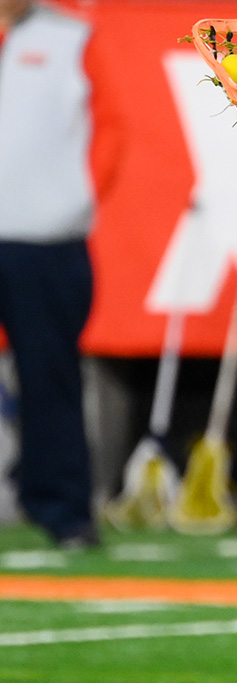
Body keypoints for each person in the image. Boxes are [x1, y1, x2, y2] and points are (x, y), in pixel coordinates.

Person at [0, 0, 121, 549]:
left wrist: (72, 202)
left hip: (44, 240)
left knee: (50, 376)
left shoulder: (73, 37)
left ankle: (63, 509)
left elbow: (112, 129)